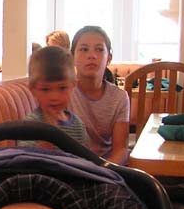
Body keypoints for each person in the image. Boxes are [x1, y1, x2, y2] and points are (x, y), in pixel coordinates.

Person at [69, 26, 130, 165]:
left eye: (99, 49)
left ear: (109, 59)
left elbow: (121, 150)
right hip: (71, 167)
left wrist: (102, 172)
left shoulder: (119, 97)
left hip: (106, 167)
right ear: (72, 57)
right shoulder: (63, 92)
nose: (92, 55)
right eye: (84, 49)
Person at [23, 46, 88, 147]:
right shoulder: (31, 124)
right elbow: (24, 155)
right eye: (45, 89)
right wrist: (48, 142)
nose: (54, 97)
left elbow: (85, 156)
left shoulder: (78, 126)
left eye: (62, 88)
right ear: (33, 90)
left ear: (73, 86)